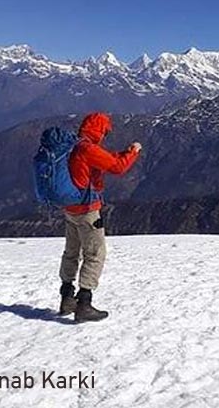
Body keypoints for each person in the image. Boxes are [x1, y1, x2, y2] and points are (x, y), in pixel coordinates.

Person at [58, 112, 141, 322]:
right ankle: (84, 303)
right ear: (100, 129)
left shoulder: (72, 146)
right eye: (105, 131)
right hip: (88, 210)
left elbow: (106, 159)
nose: (105, 135)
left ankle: (66, 298)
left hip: (69, 208)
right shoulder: (88, 149)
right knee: (95, 254)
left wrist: (120, 153)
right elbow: (117, 167)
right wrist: (133, 152)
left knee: (71, 252)